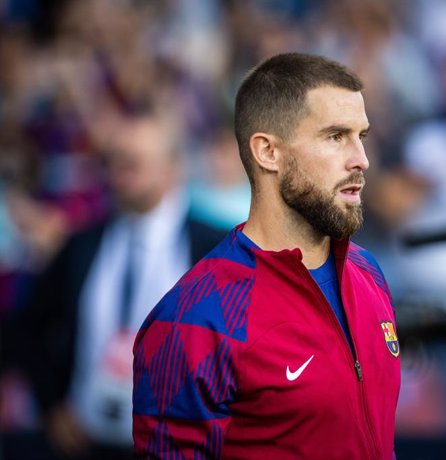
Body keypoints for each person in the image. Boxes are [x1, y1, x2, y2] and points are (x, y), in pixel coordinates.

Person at [132, 53, 401, 459]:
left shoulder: (367, 271)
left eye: (361, 136)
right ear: (268, 152)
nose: (361, 159)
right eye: (335, 136)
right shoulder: (195, 319)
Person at [2, 110, 226, 459]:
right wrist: (52, 406)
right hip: (85, 441)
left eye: (133, 164)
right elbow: (27, 324)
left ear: (171, 169)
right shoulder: (83, 242)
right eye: (114, 162)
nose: (119, 175)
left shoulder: (213, 248)